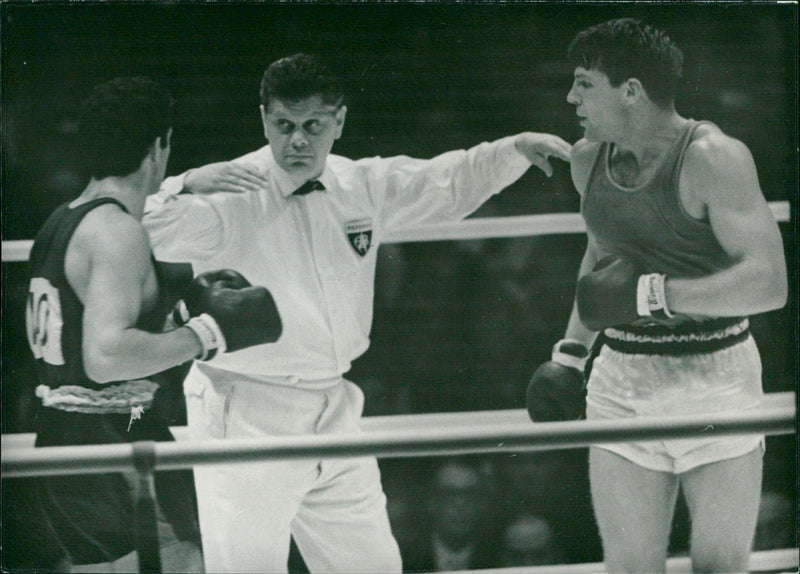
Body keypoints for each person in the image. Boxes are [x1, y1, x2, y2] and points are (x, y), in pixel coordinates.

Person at [141, 52, 571, 573]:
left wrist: (515, 150)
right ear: (264, 120)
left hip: (334, 408)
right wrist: (182, 183)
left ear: (338, 121)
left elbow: (445, 181)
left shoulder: (359, 185)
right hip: (246, 410)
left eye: (312, 125)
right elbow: (135, 230)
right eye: (284, 125)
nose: (297, 140)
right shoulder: (230, 192)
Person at [526, 18, 788, 573]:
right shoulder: (586, 159)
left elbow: (768, 281)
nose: (571, 96)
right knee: (628, 569)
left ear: (631, 91)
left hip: (715, 376)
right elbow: (602, 257)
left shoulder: (714, 158)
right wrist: (571, 352)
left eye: (584, 83)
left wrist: (656, 295)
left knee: (719, 569)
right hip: (622, 375)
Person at [25, 76, 282, 572]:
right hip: (112, 442)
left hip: (67, 441)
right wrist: (206, 333)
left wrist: (183, 185)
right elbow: (106, 358)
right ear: (160, 144)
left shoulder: (63, 221)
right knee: (190, 562)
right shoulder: (117, 233)